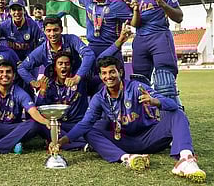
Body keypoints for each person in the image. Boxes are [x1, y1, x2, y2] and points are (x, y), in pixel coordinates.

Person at [57, 56, 206, 183]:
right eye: (104, 73)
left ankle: (185, 159)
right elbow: (85, 123)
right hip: (124, 141)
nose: (108, 77)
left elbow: (173, 104)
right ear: (101, 76)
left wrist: (155, 101)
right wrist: (64, 140)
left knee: (177, 114)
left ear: (120, 72)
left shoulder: (137, 87)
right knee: (91, 131)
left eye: (112, 72)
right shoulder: (99, 97)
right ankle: (127, 158)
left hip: (150, 137)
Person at [128, 0, 184, 106]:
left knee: (165, 84)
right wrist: (135, 10)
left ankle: (175, 121)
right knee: (139, 84)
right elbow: (135, 24)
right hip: (140, 39)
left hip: (159, 37)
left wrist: (163, 4)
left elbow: (179, 17)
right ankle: (147, 123)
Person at [18, 16, 95, 91]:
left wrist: (78, 77)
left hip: (75, 82)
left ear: (61, 29)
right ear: (44, 31)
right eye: (48, 30)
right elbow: (22, 68)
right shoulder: (41, 50)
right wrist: (33, 82)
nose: (52, 34)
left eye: (55, 30)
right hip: (54, 87)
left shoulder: (72, 40)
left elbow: (89, 54)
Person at [36, 51, 89, 150]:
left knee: (93, 130)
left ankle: (56, 141)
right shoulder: (49, 84)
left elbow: (89, 62)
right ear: (55, 68)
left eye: (67, 64)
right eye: (60, 64)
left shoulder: (80, 80)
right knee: (44, 125)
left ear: (71, 66)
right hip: (59, 124)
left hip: (77, 123)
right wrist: (42, 91)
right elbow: (39, 109)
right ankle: (83, 145)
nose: (63, 67)